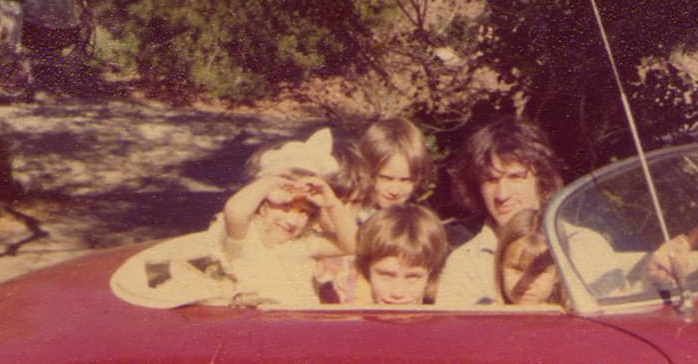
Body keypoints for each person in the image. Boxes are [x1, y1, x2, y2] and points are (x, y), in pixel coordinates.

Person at [108, 128, 357, 308]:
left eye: (303, 212)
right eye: (283, 206)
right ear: (261, 204)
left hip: (298, 326)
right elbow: (235, 211)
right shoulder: (246, 237)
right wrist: (272, 181)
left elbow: (350, 244)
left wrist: (331, 202)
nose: (292, 220)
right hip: (257, 328)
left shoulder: (302, 244)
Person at [438, 118, 565, 305]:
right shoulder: (465, 262)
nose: (502, 194)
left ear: (542, 179)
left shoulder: (582, 245)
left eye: (515, 177)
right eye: (491, 180)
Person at [316, 118, 431, 303]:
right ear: (367, 171)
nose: (395, 190)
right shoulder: (349, 211)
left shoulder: (409, 225)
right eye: (385, 178)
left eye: (405, 180)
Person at [352, 204, 450, 305]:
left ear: (430, 277)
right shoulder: (349, 320)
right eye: (386, 275)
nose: (398, 293)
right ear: (367, 271)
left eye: (413, 277)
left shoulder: (449, 320)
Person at [494, 209, 562, 305]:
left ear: (558, 274)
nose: (525, 282)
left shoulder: (571, 316)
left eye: (538, 272)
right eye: (517, 269)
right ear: (500, 267)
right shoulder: (487, 314)